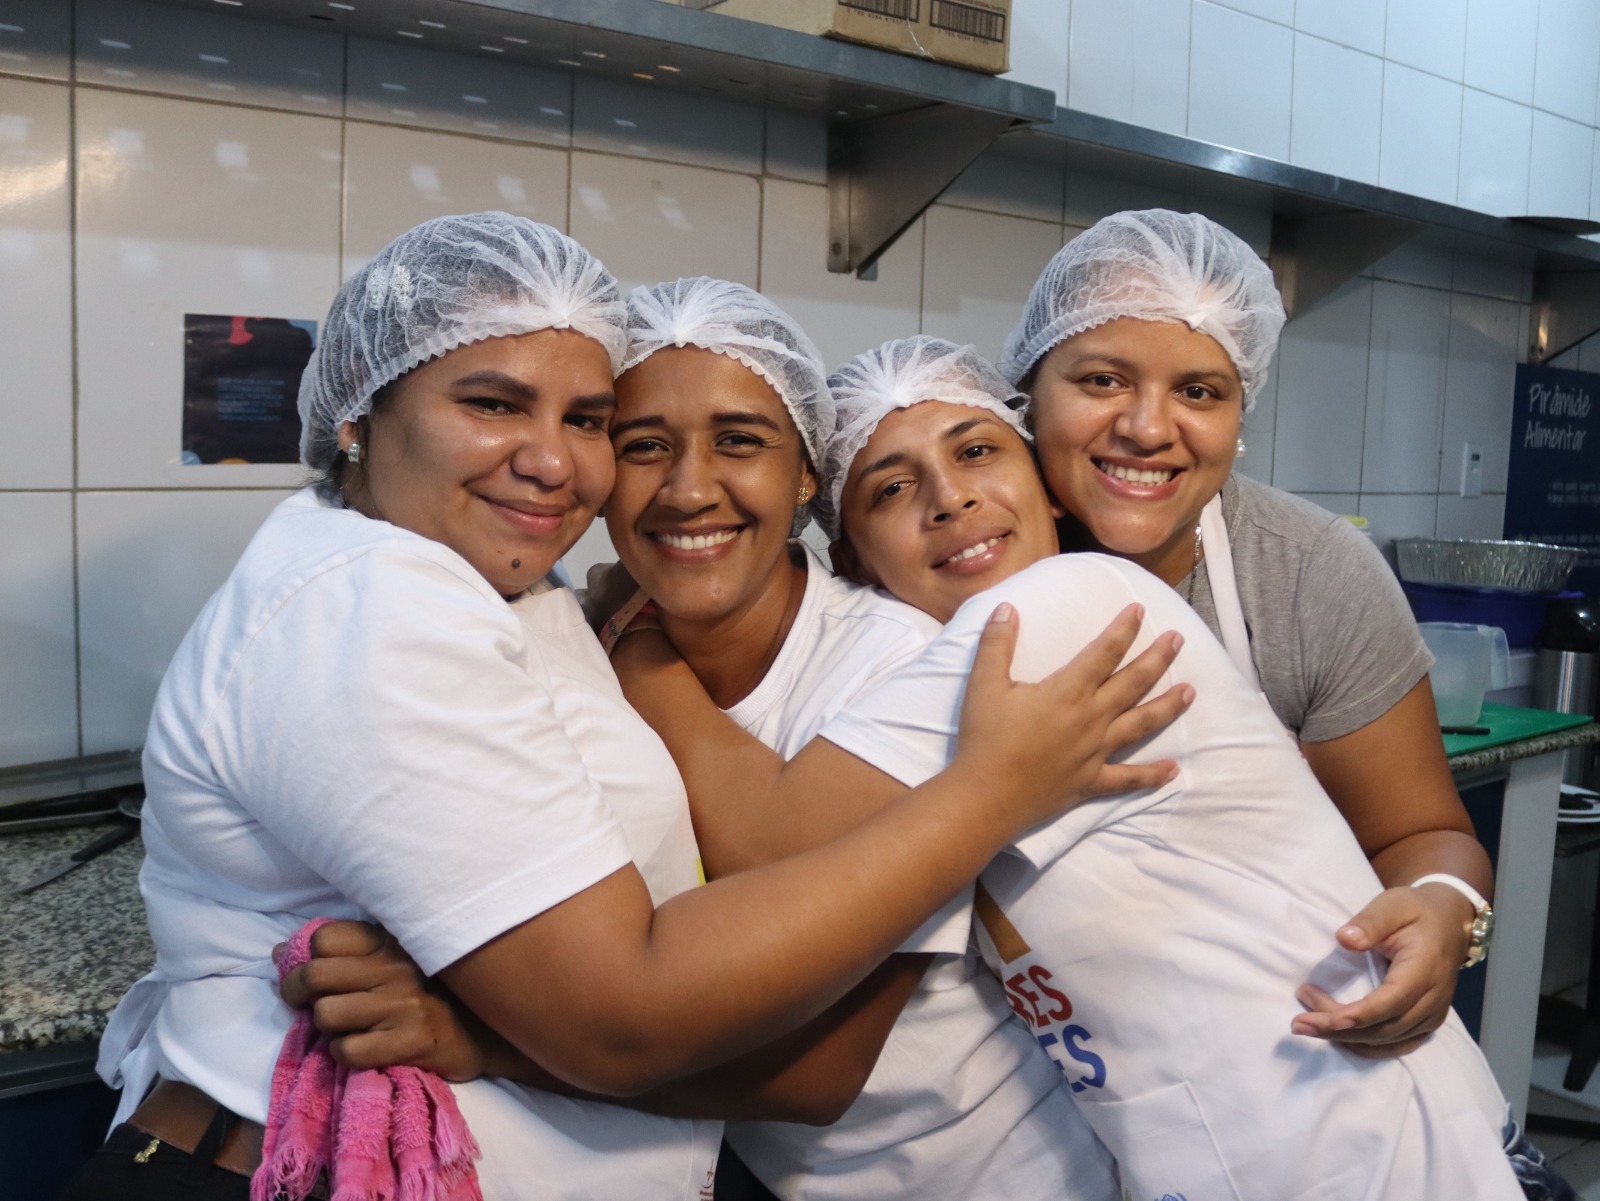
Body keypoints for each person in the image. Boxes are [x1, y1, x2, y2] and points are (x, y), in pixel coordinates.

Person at [65, 215, 1182, 1201]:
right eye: (493, 403)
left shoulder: (545, 602)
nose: (554, 461)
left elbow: (802, 1048)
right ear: (358, 411)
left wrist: (480, 1022)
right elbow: (622, 1006)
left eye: (588, 418)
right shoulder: (377, 601)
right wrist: (989, 793)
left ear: (808, 473)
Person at [626, 336, 1541, 1197]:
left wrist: (637, 650)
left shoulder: (1056, 607)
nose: (949, 499)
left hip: (1370, 1145)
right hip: (1256, 1144)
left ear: (1048, 489)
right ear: (852, 561)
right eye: (892, 487)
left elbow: (775, 849)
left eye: (977, 451)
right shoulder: (944, 664)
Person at [999, 210, 1496, 1058]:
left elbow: (1422, 834)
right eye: (1103, 379)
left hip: (1270, 1048)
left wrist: (1444, 912)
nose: (1147, 428)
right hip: (1023, 1062)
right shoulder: (960, 559)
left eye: (1199, 391)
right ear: (1028, 393)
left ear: (1240, 412)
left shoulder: (1308, 574)